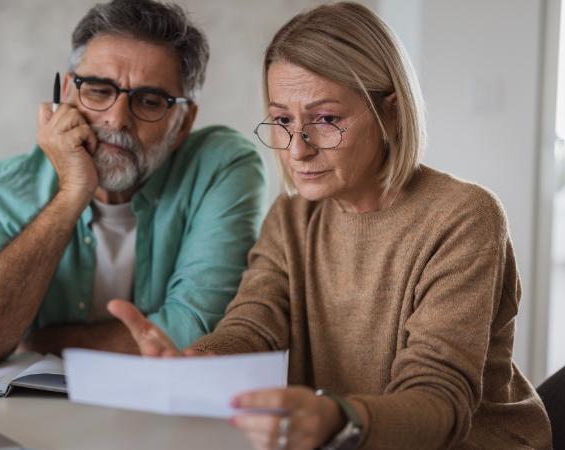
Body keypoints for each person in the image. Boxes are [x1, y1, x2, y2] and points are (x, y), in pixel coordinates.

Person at [108, 2, 553, 449]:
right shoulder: (290, 217)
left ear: (391, 113)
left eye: (325, 120)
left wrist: (337, 416)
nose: (297, 149)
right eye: (283, 120)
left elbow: (439, 399)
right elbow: (254, 326)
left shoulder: (464, 216)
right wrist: (197, 364)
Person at [0, 0, 266, 371]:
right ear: (66, 94)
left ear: (183, 123)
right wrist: (71, 195)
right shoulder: (5, 189)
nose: (117, 119)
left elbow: (197, 334)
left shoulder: (220, 166)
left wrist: (39, 341)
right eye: (97, 90)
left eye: (150, 100)